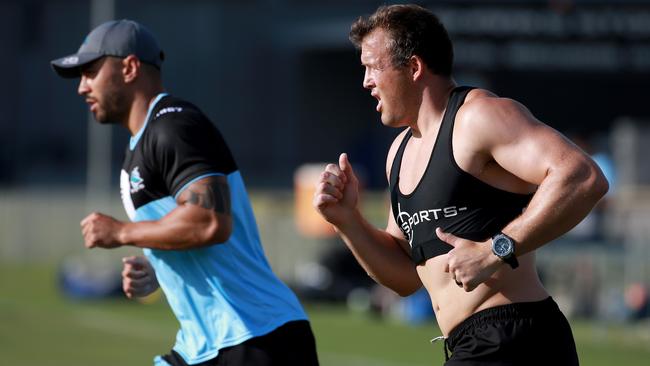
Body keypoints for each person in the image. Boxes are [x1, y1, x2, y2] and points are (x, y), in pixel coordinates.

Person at [313, 4, 608, 365]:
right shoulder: (399, 153)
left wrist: (494, 250)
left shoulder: (477, 117)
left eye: (374, 67)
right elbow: (405, 276)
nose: (366, 82)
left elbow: (581, 176)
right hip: (473, 342)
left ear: (414, 67)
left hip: (516, 338)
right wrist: (347, 220)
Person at [51, 19, 318, 366]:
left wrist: (122, 232)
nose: (82, 88)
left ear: (129, 67)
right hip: (208, 344)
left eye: (91, 72)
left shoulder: (173, 126)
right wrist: (159, 266)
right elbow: (191, 229)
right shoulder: (143, 142)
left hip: (255, 337)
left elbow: (209, 221)